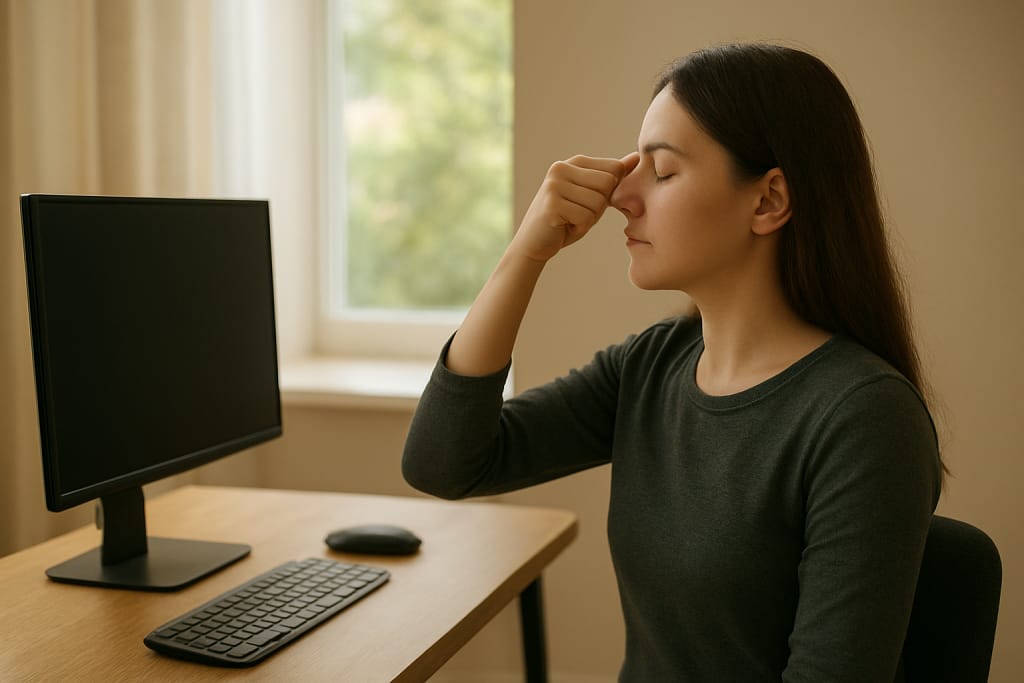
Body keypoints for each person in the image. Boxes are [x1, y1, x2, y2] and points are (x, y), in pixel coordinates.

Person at [402, 43, 943, 682]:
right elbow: (444, 463)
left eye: (661, 171)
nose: (622, 196)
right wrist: (524, 254)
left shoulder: (865, 419)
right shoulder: (653, 365)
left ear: (768, 201)